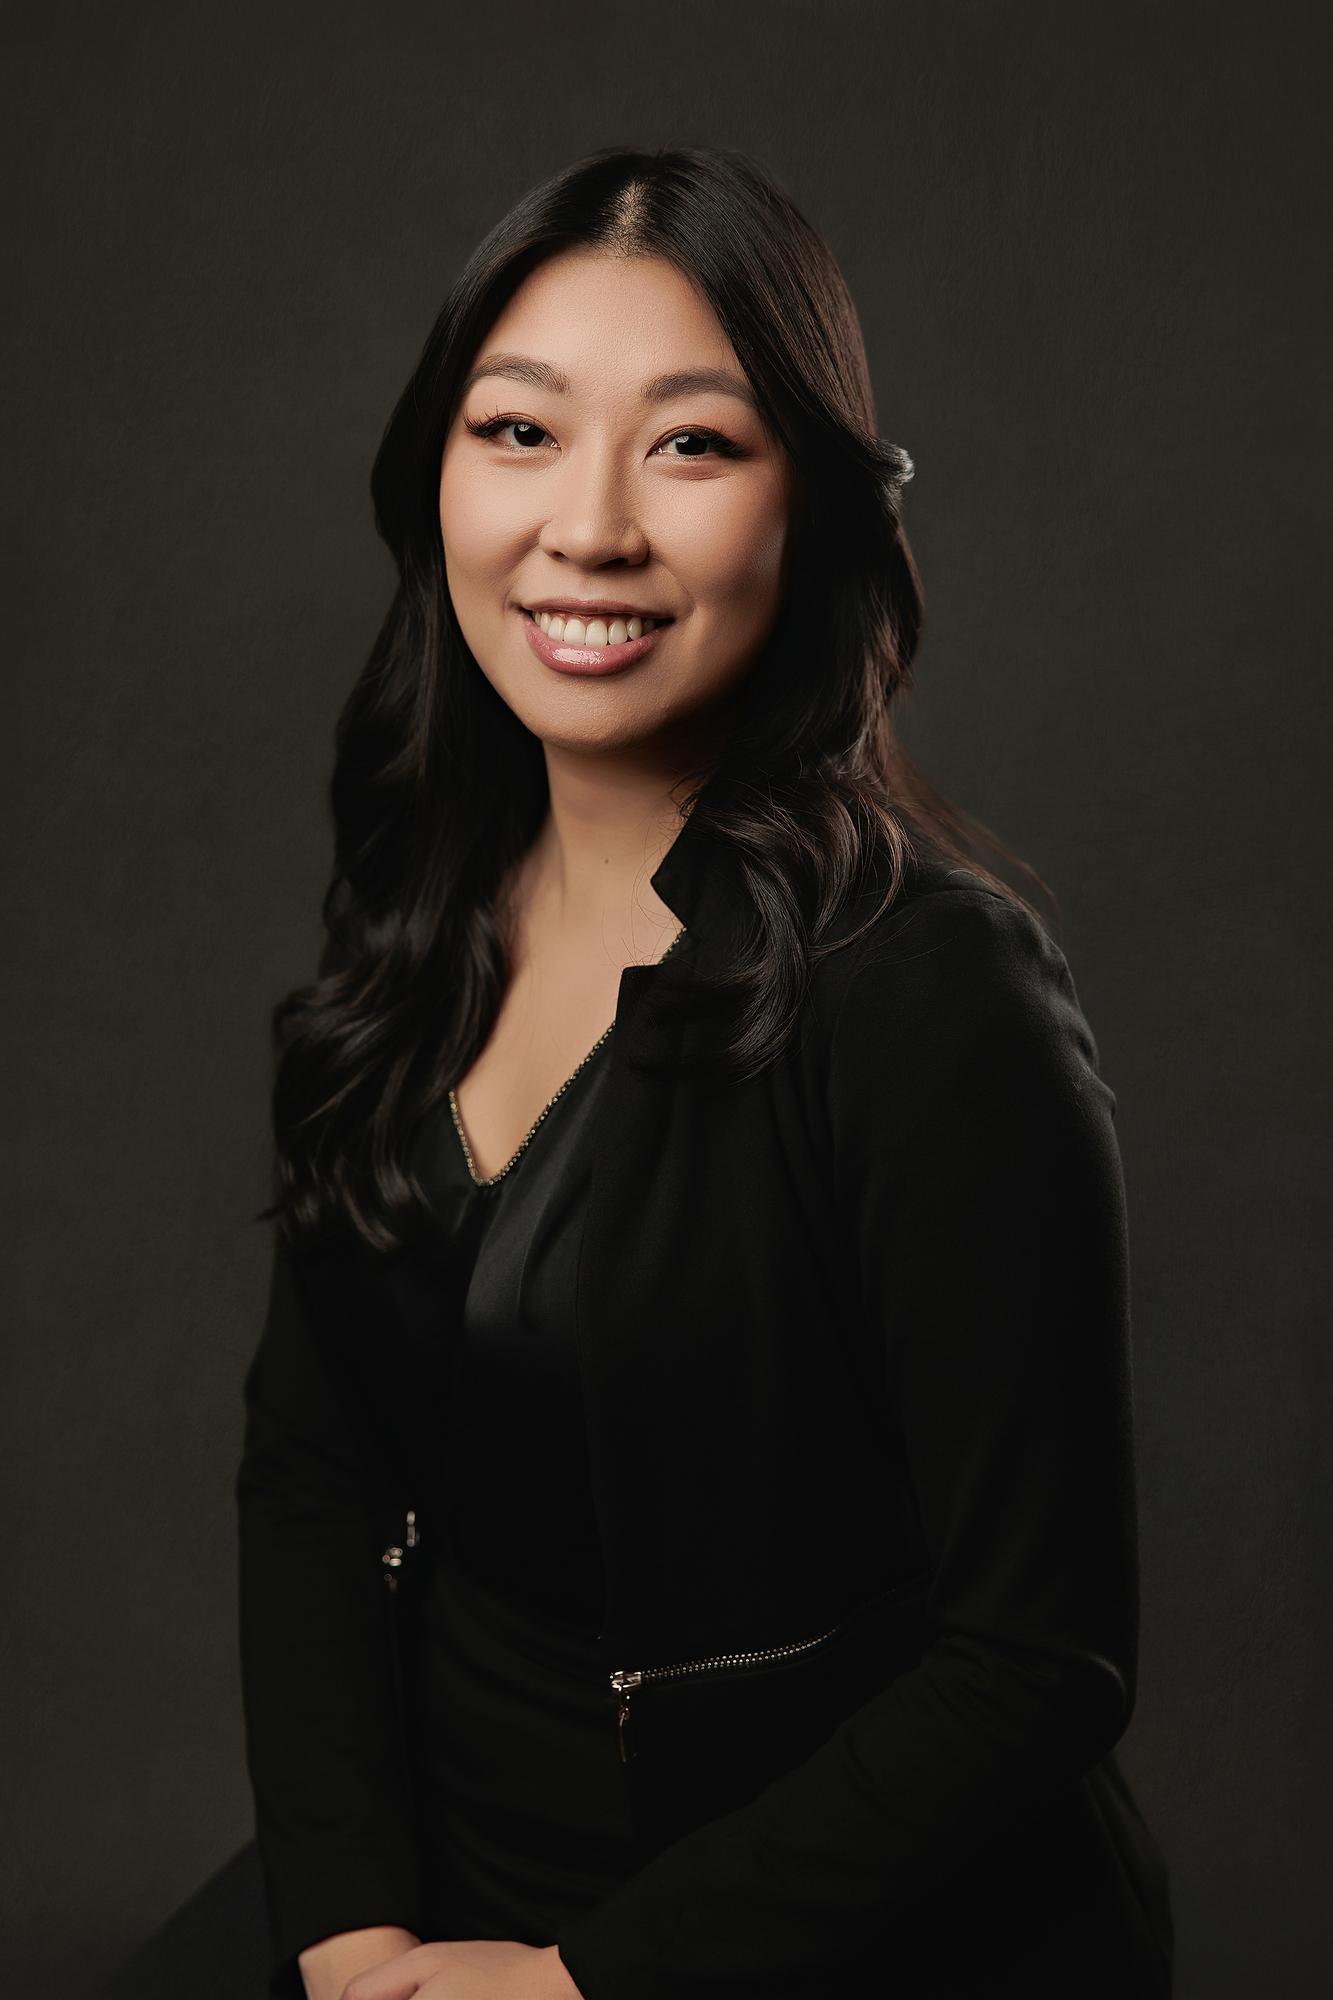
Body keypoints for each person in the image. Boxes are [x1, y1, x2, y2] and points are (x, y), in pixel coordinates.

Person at [235, 144, 1175, 2000]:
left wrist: (586, 1985)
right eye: (518, 432)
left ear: (808, 508)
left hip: (796, 1945)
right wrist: (350, 1940)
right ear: (433, 472)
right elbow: (314, 1472)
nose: (584, 526)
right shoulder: (424, 908)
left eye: (690, 444)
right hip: (437, 1905)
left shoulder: (926, 986)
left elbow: (1035, 1659)